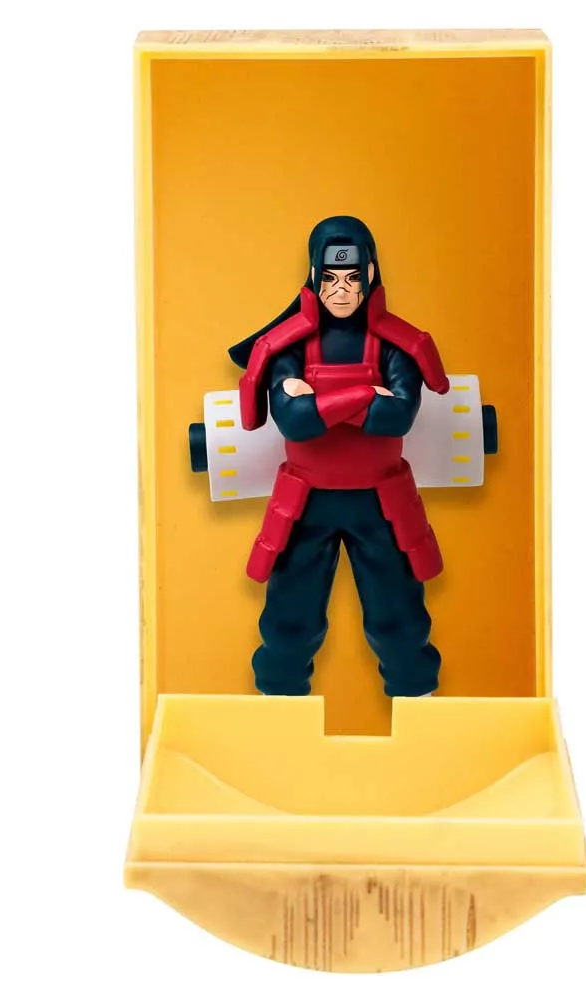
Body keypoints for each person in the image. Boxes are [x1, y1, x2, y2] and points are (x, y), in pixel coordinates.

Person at [228, 215, 449, 697]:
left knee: (399, 621)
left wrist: (322, 400)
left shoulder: (394, 346)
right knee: (289, 622)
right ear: (313, 275)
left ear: (370, 273)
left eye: (352, 277)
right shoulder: (289, 347)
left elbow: (398, 416)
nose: (342, 290)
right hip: (305, 502)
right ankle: (278, 716)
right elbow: (294, 420)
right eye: (330, 277)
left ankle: (421, 712)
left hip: (382, 501)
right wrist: (365, 394)